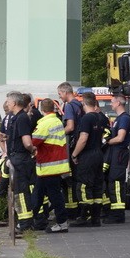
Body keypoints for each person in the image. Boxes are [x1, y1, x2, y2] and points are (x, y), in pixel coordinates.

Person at [29, 98, 71, 234]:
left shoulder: (44, 124)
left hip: (48, 166)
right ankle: (29, 221)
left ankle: (62, 223)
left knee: (54, 196)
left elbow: (33, 142)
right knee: (38, 193)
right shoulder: (57, 121)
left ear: (42, 110)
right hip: (54, 165)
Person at [69, 93, 109, 227]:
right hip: (98, 154)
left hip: (87, 155)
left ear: (84, 104)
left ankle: (84, 216)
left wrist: (74, 154)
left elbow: (83, 139)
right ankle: (95, 217)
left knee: (84, 185)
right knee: (97, 185)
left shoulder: (86, 118)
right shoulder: (100, 117)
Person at [4, 92, 37, 232]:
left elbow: (26, 141)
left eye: (8, 102)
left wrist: (32, 149)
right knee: (19, 191)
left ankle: (25, 222)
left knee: (21, 191)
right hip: (17, 157)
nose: (7, 104)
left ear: (15, 103)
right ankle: (25, 220)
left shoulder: (22, 118)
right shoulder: (16, 118)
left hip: (21, 159)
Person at [102, 93, 130, 224]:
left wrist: (107, 141)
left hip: (119, 153)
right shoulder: (119, 119)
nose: (111, 104)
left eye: (112, 102)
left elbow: (120, 138)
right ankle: (113, 213)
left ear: (118, 103)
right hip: (116, 153)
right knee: (112, 182)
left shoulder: (124, 118)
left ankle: (118, 214)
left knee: (116, 183)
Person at [57, 82, 85, 219]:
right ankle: (82, 209)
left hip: (73, 144)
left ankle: (74, 212)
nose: (60, 97)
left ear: (66, 92)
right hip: (81, 144)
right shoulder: (79, 105)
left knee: (70, 179)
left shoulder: (69, 106)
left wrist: (57, 134)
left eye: (60, 94)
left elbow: (70, 127)